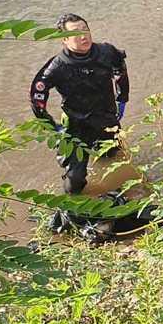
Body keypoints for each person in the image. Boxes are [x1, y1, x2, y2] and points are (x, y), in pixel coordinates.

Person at [30, 13, 129, 200]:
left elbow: (120, 67)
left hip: (106, 118)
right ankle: (75, 207)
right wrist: (52, 127)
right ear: (64, 39)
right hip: (75, 126)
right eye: (76, 32)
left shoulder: (106, 52)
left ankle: (119, 197)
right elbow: (37, 98)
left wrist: (122, 98)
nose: (84, 36)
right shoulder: (56, 67)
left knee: (113, 159)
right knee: (74, 181)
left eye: (85, 29)